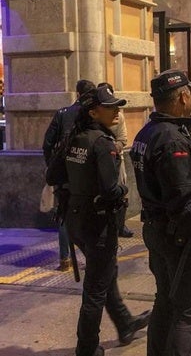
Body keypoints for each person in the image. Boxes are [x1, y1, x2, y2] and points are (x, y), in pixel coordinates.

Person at [129, 69, 191, 356]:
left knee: (166, 302)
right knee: (188, 313)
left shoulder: (148, 133)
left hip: (158, 232)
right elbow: (183, 202)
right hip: (181, 240)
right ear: (183, 97)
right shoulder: (173, 140)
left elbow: (172, 175)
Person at [64, 86, 151, 356]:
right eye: (110, 106)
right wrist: (124, 192)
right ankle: (87, 347)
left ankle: (125, 323)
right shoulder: (103, 143)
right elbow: (112, 188)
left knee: (103, 274)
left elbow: (54, 173)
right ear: (93, 112)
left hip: (75, 219)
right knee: (95, 290)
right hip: (98, 224)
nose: (117, 110)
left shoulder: (75, 137)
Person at [43, 79, 96, 271]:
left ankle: (65, 259)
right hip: (87, 173)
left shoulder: (63, 114)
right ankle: (91, 256)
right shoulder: (94, 113)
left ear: (77, 93)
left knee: (64, 215)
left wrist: (53, 167)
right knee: (89, 214)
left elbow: (47, 143)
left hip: (65, 174)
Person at [98, 82, 133, 238]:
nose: (116, 111)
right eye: (110, 106)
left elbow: (123, 139)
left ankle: (120, 225)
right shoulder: (91, 135)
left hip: (117, 160)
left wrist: (112, 149)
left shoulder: (119, 117)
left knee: (120, 193)